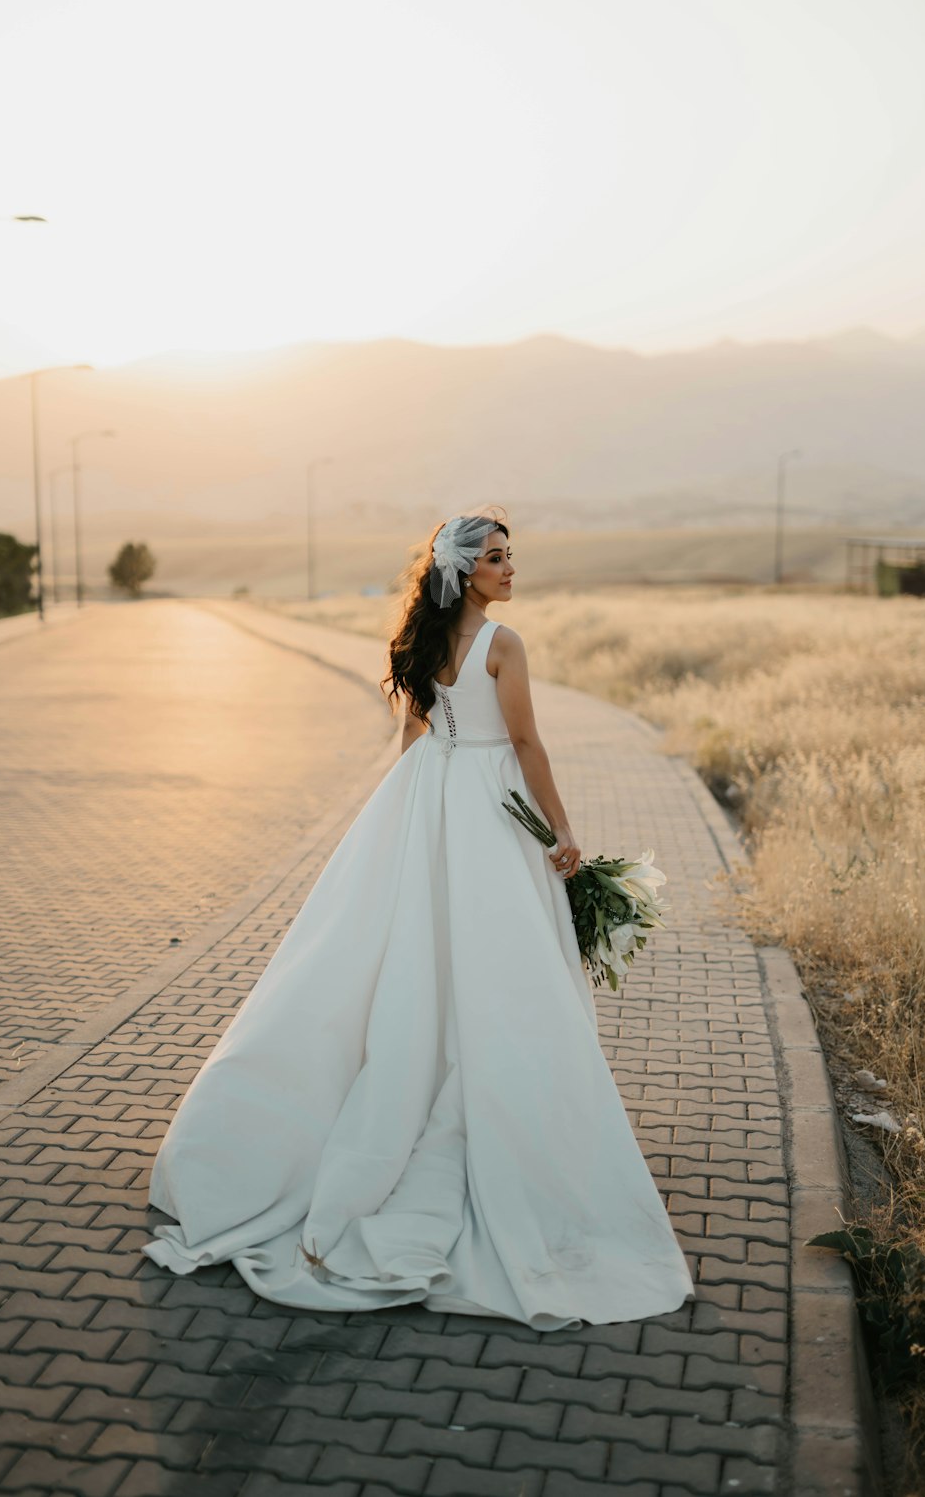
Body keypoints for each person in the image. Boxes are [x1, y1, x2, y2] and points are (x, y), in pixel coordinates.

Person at [140, 509, 696, 1330]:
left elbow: (413, 735)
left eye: (512, 556)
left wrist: (401, 823)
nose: (512, 569)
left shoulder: (427, 640)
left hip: (435, 799)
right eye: (499, 558)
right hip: (493, 807)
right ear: (468, 569)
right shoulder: (504, 643)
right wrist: (565, 831)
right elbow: (527, 742)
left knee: (428, 957)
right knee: (501, 966)